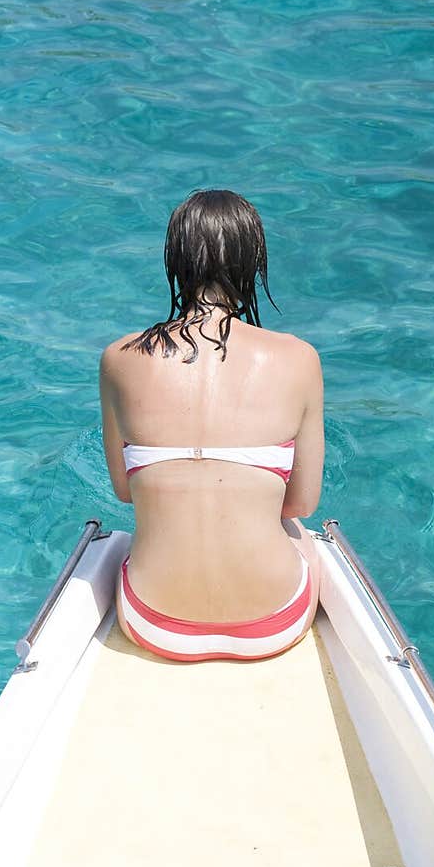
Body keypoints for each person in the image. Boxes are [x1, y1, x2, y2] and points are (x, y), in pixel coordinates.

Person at [100, 188, 324, 662]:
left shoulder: (119, 358)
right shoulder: (299, 358)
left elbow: (125, 491)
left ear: (175, 261)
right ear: (253, 263)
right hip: (273, 624)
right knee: (306, 535)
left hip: (153, 621)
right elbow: (300, 502)